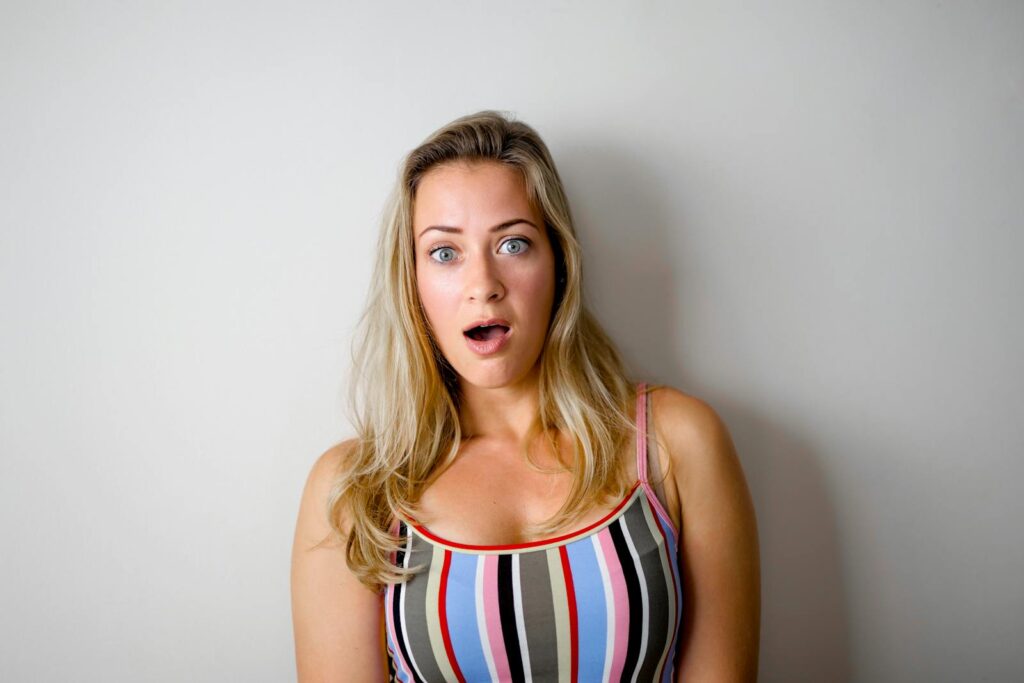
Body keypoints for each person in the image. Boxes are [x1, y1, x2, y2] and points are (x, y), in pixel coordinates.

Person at [291, 110, 760, 682]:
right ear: (411, 282)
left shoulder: (675, 444)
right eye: (444, 252)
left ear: (559, 263)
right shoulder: (356, 493)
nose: (483, 284)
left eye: (513, 244)